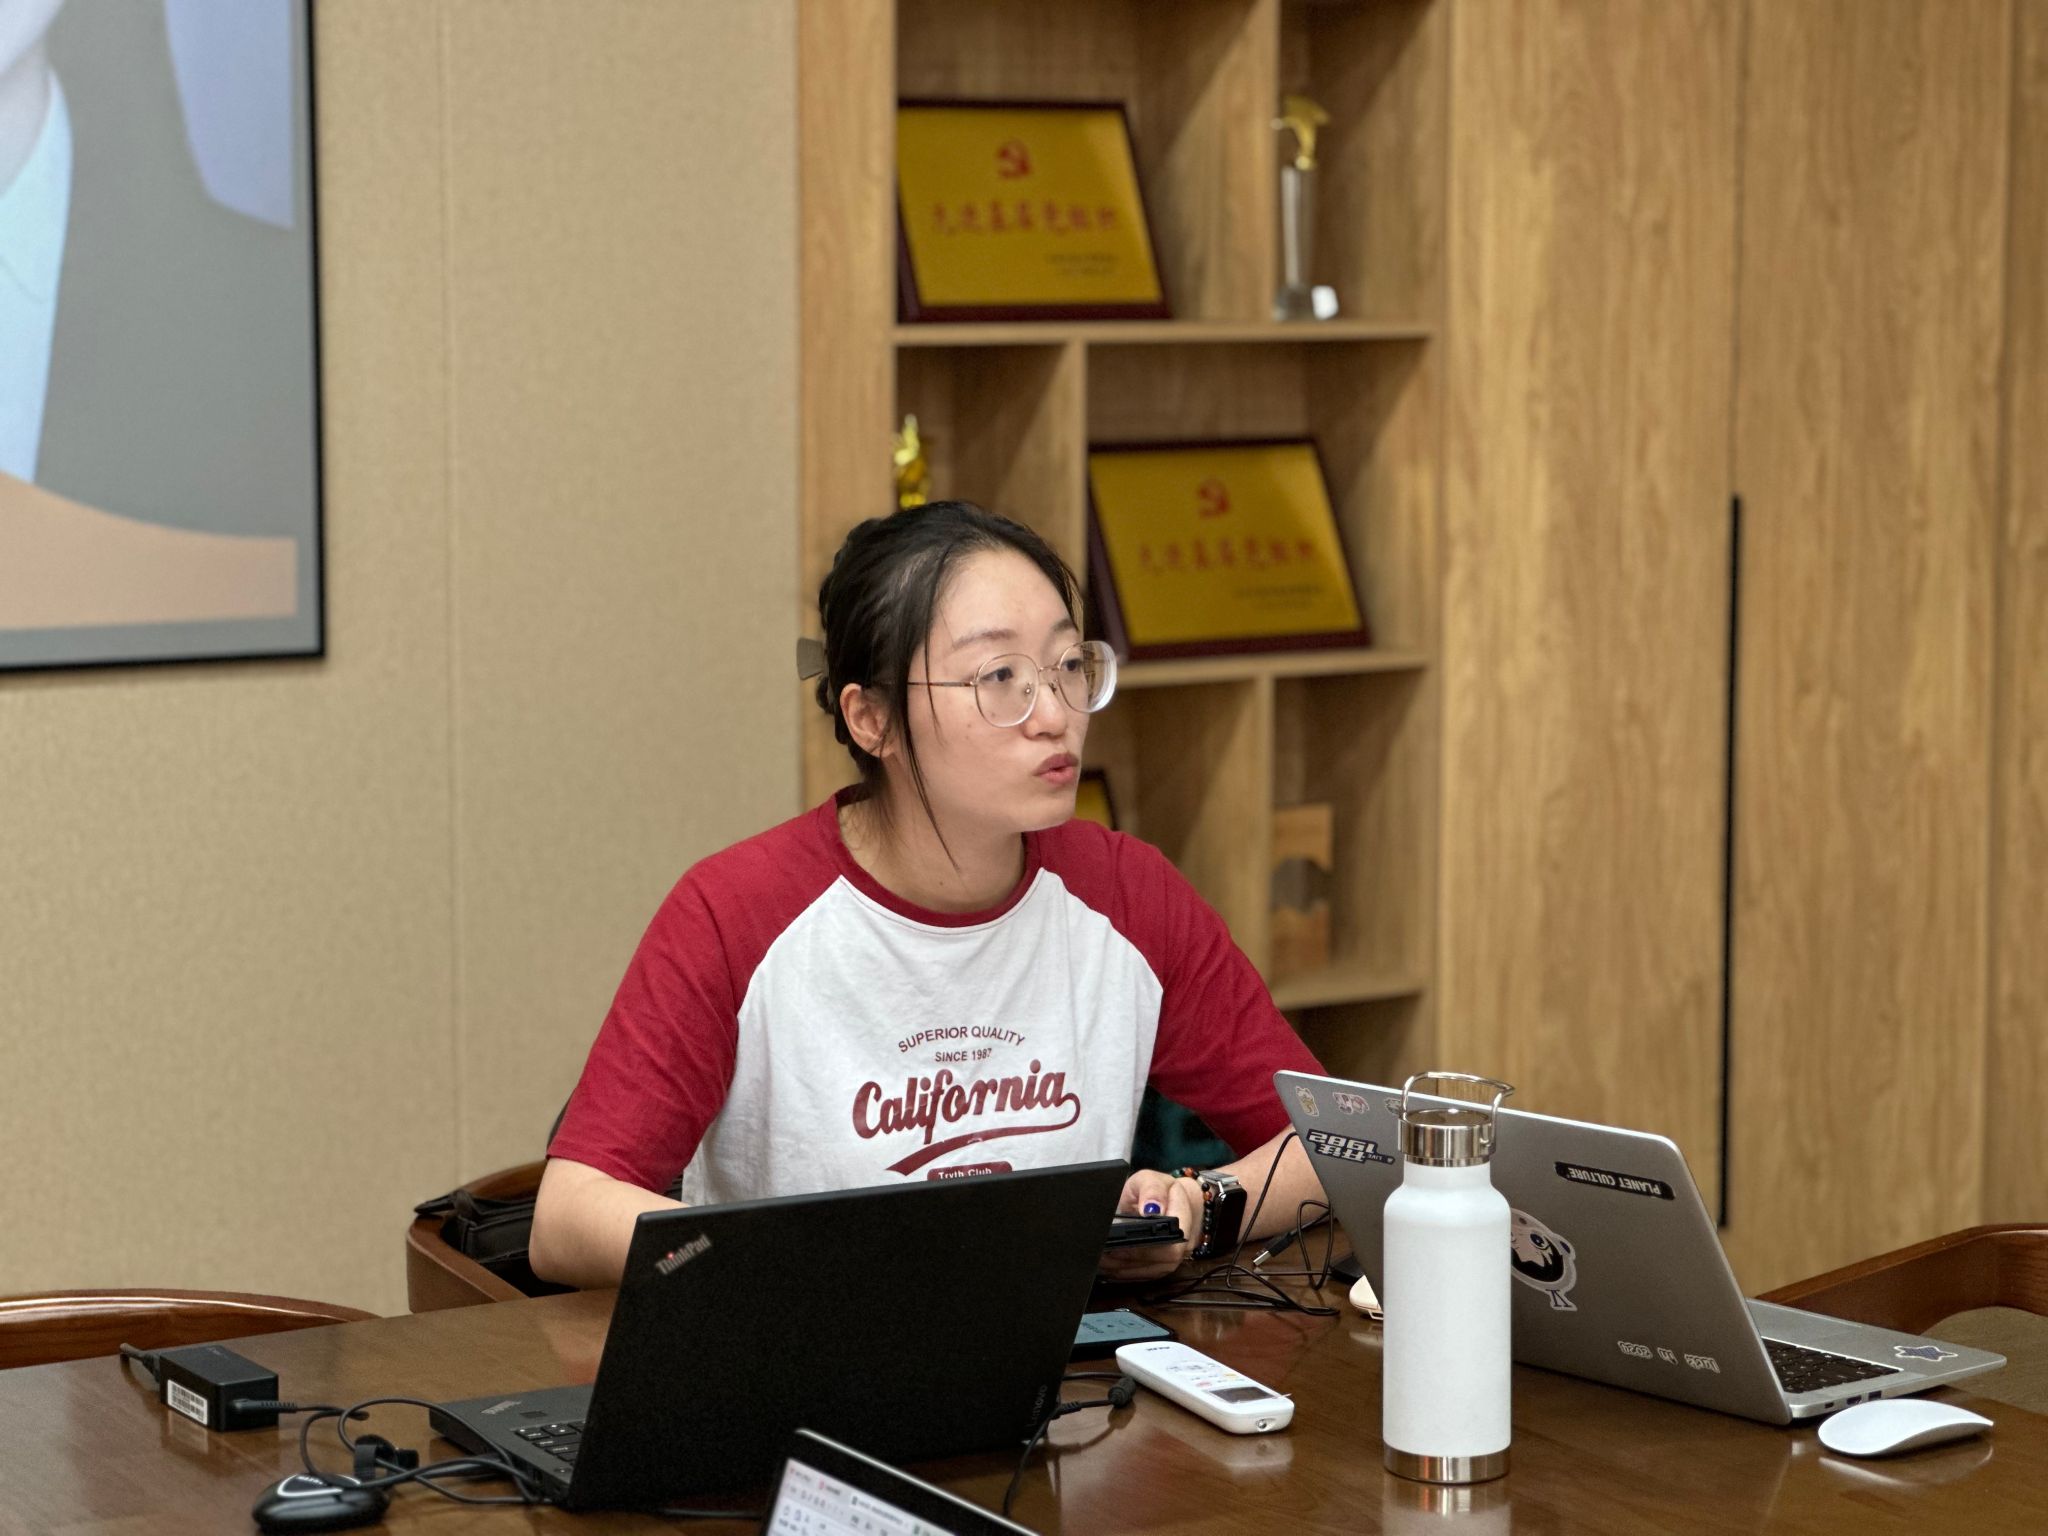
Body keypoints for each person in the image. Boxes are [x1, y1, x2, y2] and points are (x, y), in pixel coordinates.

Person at [531, 501, 1328, 1289]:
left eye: (1066, 666)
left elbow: (1339, 1147)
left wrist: (1200, 1205)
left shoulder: (1127, 893)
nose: (1055, 715)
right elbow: (567, 1215)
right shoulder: (736, 912)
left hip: (1066, 1355)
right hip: (808, 1353)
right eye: (1000, 677)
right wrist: (788, 1265)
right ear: (871, 718)